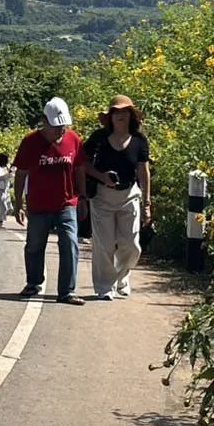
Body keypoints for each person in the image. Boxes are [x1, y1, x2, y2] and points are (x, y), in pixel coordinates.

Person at [77, 94, 153, 300]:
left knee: (132, 245)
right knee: (104, 245)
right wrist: (101, 176)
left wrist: (147, 204)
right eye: (116, 112)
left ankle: (122, 275)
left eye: (125, 112)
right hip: (102, 197)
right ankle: (105, 287)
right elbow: (82, 164)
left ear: (131, 116)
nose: (121, 115)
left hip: (129, 195)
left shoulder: (139, 140)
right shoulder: (99, 138)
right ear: (110, 116)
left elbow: (144, 172)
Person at [12, 97, 85, 305]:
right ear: (44, 121)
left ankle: (67, 291)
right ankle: (33, 283)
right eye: (56, 127)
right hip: (38, 205)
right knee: (34, 245)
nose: (60, 130)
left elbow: (79, 169)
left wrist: (83, 197)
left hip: (66, 203)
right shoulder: (30, 142)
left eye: (63, 126)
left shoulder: (74, 139)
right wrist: (18, 204)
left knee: (70, 243)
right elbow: (21, 174)